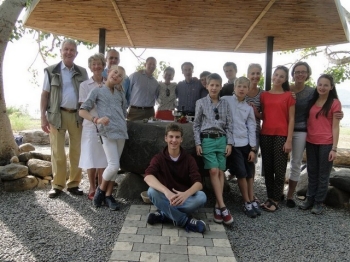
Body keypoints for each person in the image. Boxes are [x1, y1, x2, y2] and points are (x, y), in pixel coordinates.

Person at [40, 39, 88, 198]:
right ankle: (57, 185)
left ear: (76, 53)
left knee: (77, 152)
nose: (69, 52)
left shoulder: (82, 72)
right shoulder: (51, 71)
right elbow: (45, 95)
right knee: (58, 152)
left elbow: (87, 96)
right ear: (61, 51)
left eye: (72, 50)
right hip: (56, 115)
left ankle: (74, 184)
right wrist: (43, 117)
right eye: (66, 49)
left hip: (77, 116)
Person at [79, 65, 128, 211]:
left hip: (121, 132)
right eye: (115, 72)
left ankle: (108, 195)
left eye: (120, 76)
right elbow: (82, 111)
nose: (116, 76)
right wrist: (96, 120)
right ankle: (99, 192)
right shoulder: (97, 90)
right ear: (109, 72)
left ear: (121, 80)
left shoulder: (120, 94)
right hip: (107, 132)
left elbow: (123, 112)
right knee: (113, 165)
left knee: (115, 166)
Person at [144, 123, 207, 233]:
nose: (174, 140)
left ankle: (165, 214)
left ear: (181, 139)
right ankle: (185, 221)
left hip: (184, 199)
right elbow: (148, 176)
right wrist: (167, 192)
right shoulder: (159, 158)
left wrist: (185, 194)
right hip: (166, 198)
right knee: (151, 191)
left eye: (177, 137)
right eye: (171, 137)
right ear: (166, 138)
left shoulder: (188, 159)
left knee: (201, 197)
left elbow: (198, 183)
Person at [193, 73, 234, 225]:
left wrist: (229, 143)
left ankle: (217, 206)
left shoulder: (225, 104)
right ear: (207, 86)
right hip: (208, 139)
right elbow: (196, 125)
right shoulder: (201, 102)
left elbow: (230, 125)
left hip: (222, 139)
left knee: (221, 171)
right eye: (212, 85)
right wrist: (198, 143)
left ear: (221, 86)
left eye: (217, 85)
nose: (214, 87)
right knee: (213, 170)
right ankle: (223, 207)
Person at [299, 74, 341, 214]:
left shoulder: (334, 102)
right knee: (312, 172)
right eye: (320, 84)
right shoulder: (312, 100)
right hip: (311, 141)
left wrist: (334, 148)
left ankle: (318, 203)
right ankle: (309, 199)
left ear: (331, 87)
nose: (322, 87)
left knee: (323, 174)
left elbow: (336, 126)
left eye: (326, 85)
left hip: (326, 143)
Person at [222, 77, 260, 218]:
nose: (242, 89)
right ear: (234, 88)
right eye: (239, 86)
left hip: (246, 144)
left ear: (248, 89)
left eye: (245, 87)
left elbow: (252, 127)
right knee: (241, 173)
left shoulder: (248, 108)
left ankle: (251, 198)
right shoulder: (226, 100)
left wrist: (253, 148)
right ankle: (246, 201)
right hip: (233, 144)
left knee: (249, 172)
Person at [260, 66, 295, 212]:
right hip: (265, 133)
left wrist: (289, 140)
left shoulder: (289, 96)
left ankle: (276, 199)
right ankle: (270, 197)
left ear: (285, 79)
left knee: (279, 170)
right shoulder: (264, 95)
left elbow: (292, 118)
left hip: (282, 135)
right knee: (267, 169)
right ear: (272, 76)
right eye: (276, 75)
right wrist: (254, 111)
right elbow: (263, 115)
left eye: (281, 76)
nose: (278, 78)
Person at [78, 53, 108, 200]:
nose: (96, 67)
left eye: (99, 64)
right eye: (94, 64)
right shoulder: (84, 85)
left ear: (103, 66)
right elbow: (84, 106)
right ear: (90, 67)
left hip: (106, 125)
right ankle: (91, 186)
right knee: (90, 157)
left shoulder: (108, 83)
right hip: (90, 124)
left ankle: (101, 188)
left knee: (103, 157)